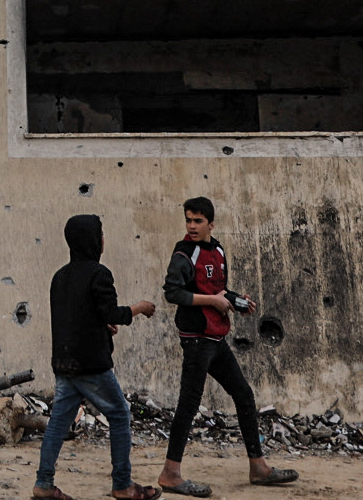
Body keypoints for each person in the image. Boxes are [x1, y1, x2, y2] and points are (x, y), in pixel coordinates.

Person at [156, 197, 298, 496]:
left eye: (197, 221)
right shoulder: (184, 253)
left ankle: (258, 467)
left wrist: (234, 301)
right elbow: (173, 293)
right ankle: (170, 474)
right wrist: (213, 301)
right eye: (188, 220)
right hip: (196, 338)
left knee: (244, 395)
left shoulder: (217, 250)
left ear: (211, 223)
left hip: (216, 337)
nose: (191, 226)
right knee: (189, 403)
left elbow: (217, 290)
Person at [32, 213, 161, 500]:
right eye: (100, 234)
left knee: (58, 422)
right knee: (119, 414)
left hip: (64, 363)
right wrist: (139, 308)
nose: (103, 240)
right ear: (94, 240)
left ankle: (43, 484)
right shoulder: (99, 274)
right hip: (91, 364)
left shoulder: (60, 277)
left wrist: (101, 327)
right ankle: (123, 485)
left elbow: (78, 318)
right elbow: (112, 313)